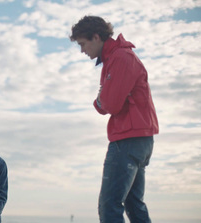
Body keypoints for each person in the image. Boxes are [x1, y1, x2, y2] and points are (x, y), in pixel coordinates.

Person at [70, 16, 159, 223]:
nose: (82, 51)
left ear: (96, 37)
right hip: (138, 138)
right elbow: (106, 102)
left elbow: (109, 104)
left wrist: (100, 99)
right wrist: (102, 99)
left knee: (109, 204)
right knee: (133, 204)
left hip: (128, 139)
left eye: (83, 44)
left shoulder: (121, 57)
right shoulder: (117, 58)